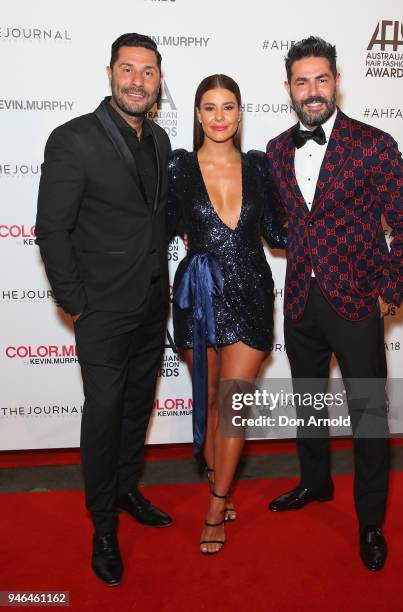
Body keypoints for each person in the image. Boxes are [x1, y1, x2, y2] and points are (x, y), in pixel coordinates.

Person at [265, 36, 403, 571]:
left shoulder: (373, 143)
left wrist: (389, 289)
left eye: (322, 79)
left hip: (356, 301)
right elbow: (284, 223)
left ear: (336, 81)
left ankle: (371, 523)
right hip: (300, 302)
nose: (313, 91)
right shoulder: (275, 149)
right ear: (288, 87)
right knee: (309, 404)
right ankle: (315, 484)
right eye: (302, 81)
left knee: (368, 417)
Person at [36, 33, 173, 586]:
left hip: (150, 305)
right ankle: (103, 527)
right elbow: (52, 229)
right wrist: (76, 303)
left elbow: (153, 220)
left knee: (137, 408)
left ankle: (126, 488)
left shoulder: (161, 141)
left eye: (147, 71)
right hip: (102, 311)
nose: (137, 80)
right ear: (110, 73)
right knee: (103, 414)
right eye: (128, 69)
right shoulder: (73, 139)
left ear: (159, 80)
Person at [167, 74, 286, 555]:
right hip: (198, 294)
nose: (219, 117)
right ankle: (218, 475)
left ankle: (217, 505)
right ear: (197, 115)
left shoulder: (259, 167)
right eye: (210, 107)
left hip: (252, 290)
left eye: (229, 107)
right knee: (212, 396)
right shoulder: (178, 168)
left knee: (234, 404)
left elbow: (279, 231)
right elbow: (161, 225)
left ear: (240, 115)